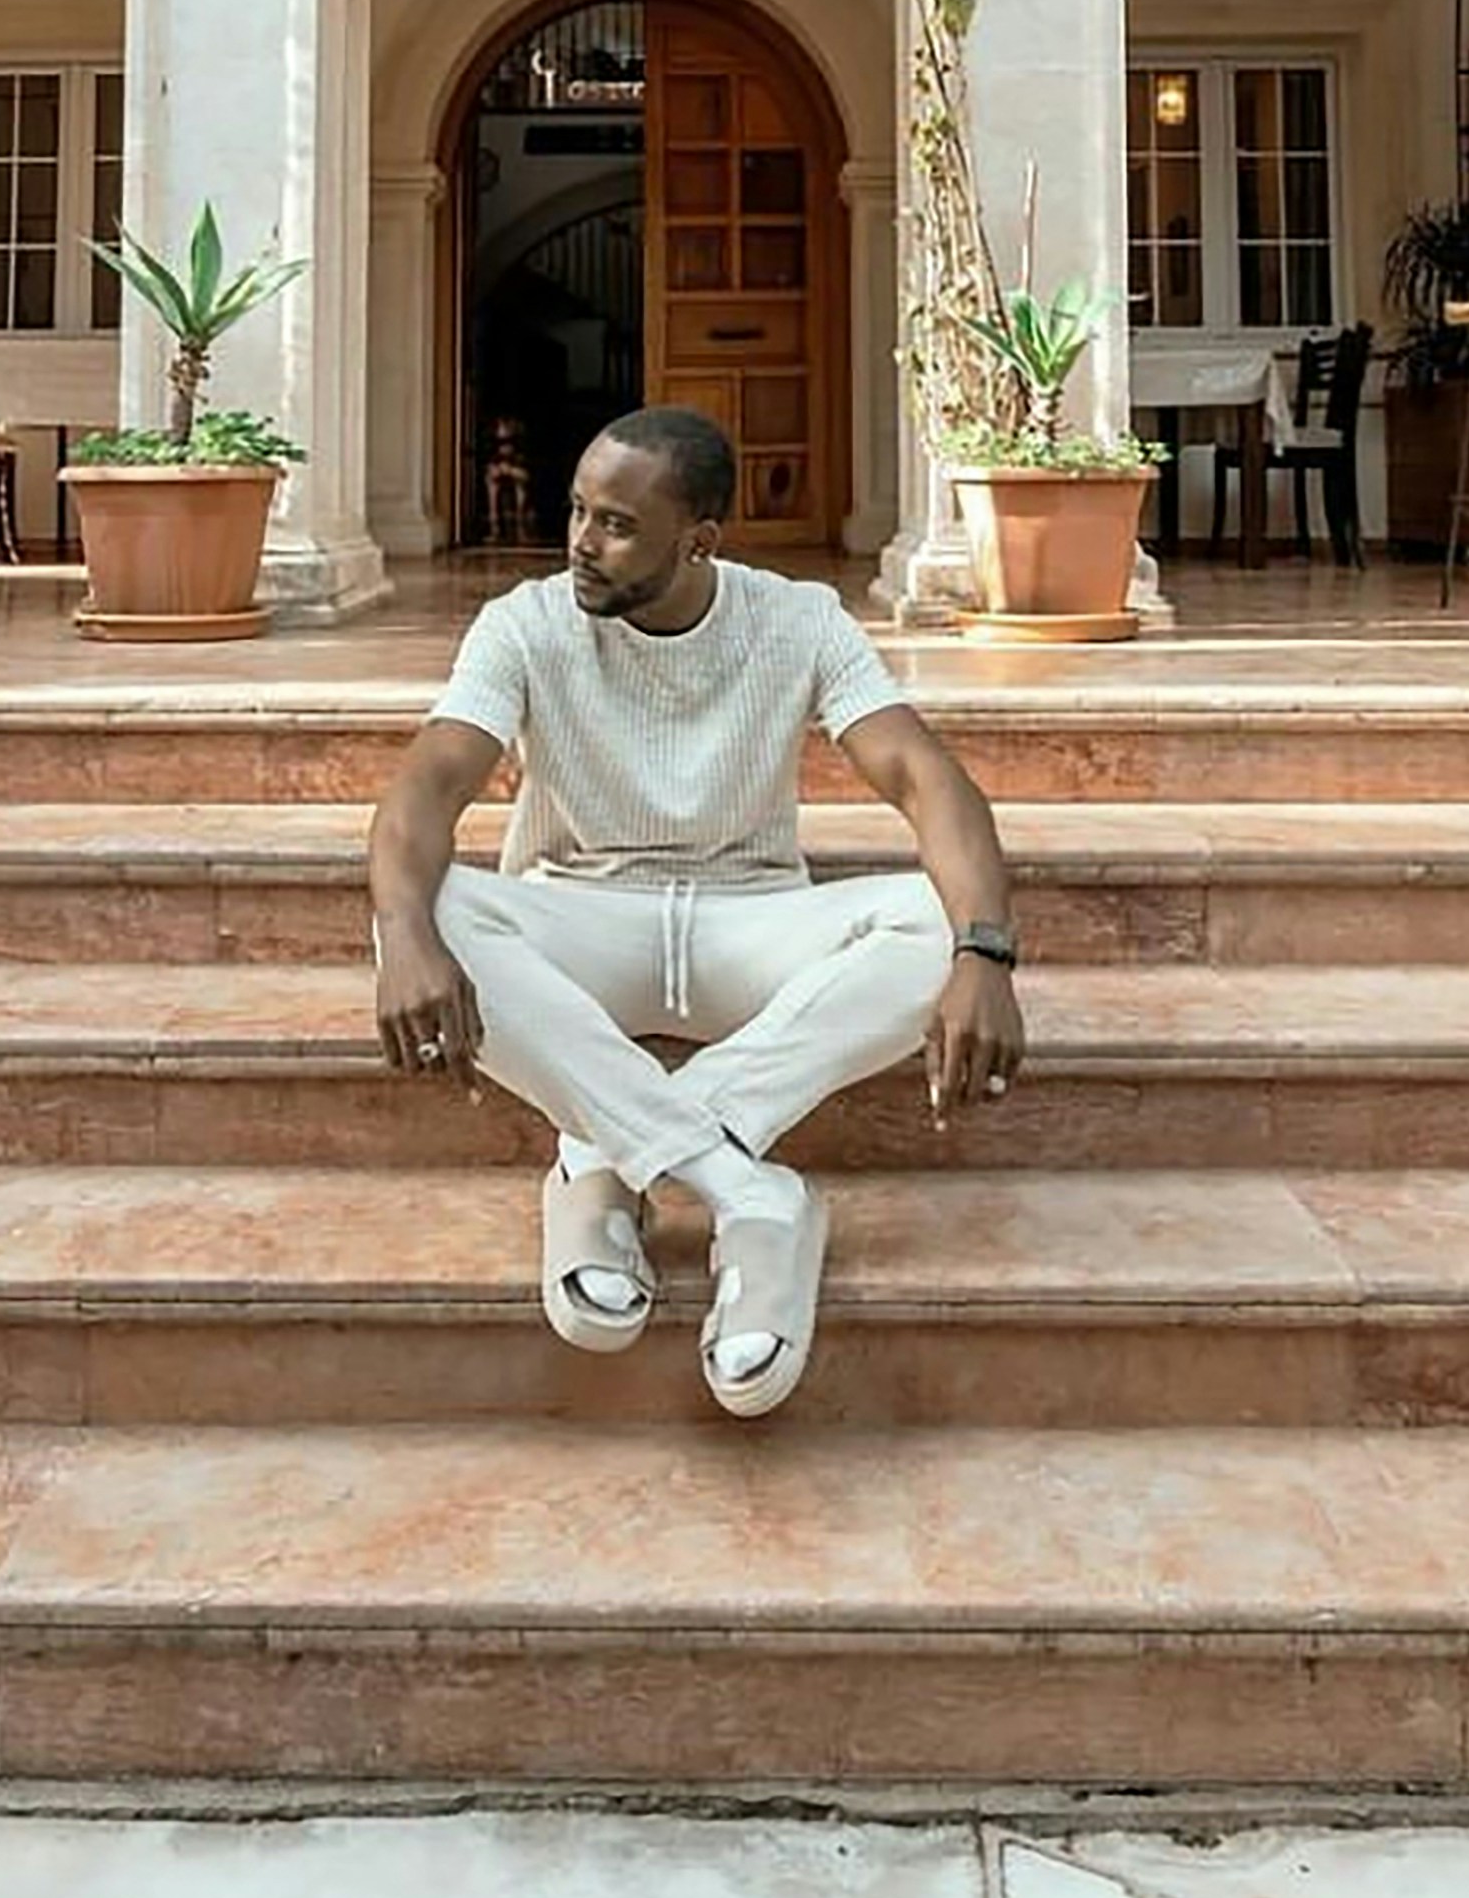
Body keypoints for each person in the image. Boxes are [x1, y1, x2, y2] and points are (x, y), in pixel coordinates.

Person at [365, 402, 1028, 1417]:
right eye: (577, 512)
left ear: (699, 540)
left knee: (935, 924)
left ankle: (600, 1157)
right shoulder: (526, 622)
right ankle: (749, 1197)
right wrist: (407, 935)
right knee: (423, 911)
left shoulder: (795, 618)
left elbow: (925, 779)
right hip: (580, 916)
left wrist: (984, 953)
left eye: (617, 525)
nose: (581, 542)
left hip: (746, 921)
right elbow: (425, 790)